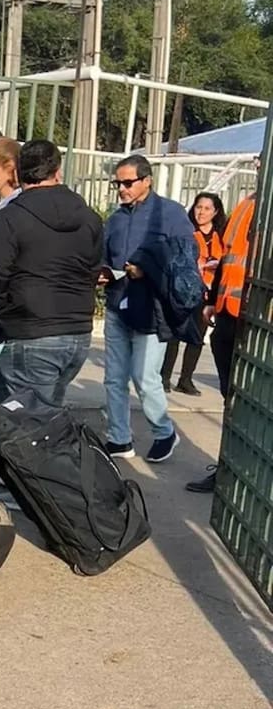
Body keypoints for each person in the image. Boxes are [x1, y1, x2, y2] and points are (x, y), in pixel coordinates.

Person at [0, 139, 102, 407]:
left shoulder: (11, 217)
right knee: (45, 415)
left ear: (17, 173)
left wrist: (3, 312)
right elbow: (93, 270)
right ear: (57, 171)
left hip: (30, 329)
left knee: (29, 420)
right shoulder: (89, 217)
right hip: (77, 331)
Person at [101, 154, 193, 463]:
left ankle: (164, 431)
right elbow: (104, 254)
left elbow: (184, 259)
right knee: (114, 377)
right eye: (118, 183)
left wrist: (148, 269)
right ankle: (119, 438)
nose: (122, 189)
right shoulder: (116, 219)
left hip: (152, 308)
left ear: (147, 180)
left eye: (128, 183)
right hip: (117, 303)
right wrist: (103, 272)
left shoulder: (170, 214)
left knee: (145, 376)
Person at [187, 171, 258, 493]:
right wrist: (213, 300)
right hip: (229, 315)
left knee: (251, 403)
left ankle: (246, 472)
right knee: (234, 401)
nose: (259, 165)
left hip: (257, 320)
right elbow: (229, 259)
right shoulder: (247, 204)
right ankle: (231, 470)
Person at [161, 191, 226, 396]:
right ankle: (164, 378)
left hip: (207, 294)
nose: (201, 212)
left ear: (215, 212)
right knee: (174, 335)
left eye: (207, 208)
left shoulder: (221, 236)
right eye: (199, 207)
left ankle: (186, 379)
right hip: (184, 290)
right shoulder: (186, 231)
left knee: (197, 337)